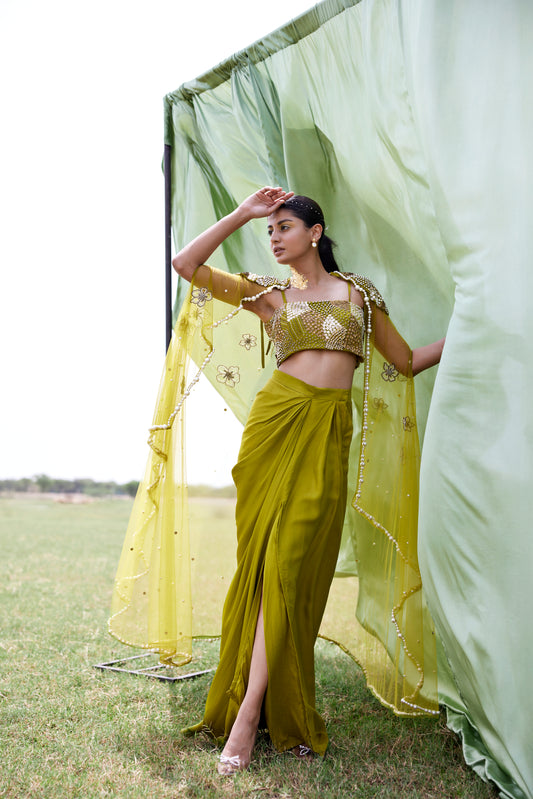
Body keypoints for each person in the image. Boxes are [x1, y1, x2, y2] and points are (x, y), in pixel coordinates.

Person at [169, 186, 445, 775]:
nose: (274, 239)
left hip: (326, 436)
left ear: (315, 233)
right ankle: (247, 716)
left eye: (284, 227)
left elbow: (406, 361)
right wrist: (242, 213)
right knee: (266, 564)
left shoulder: (359, 295)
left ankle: (261, 710)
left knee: (296, 564)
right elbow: (186, 266)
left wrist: (469, 335)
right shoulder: (269, 298)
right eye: (270, 231)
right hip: (274, 430)